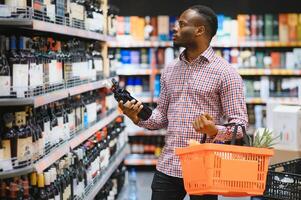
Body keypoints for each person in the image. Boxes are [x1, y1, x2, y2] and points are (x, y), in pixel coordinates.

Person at [118, 5, 248, 200]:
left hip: (204, 168)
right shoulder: (170, 70)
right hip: (168, 165)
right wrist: (137, 117)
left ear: (199, 30)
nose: (174, 28)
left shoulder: (226, 73)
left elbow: (240, 126)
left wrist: (214, 130)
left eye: (181, 24)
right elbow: (161, 117)